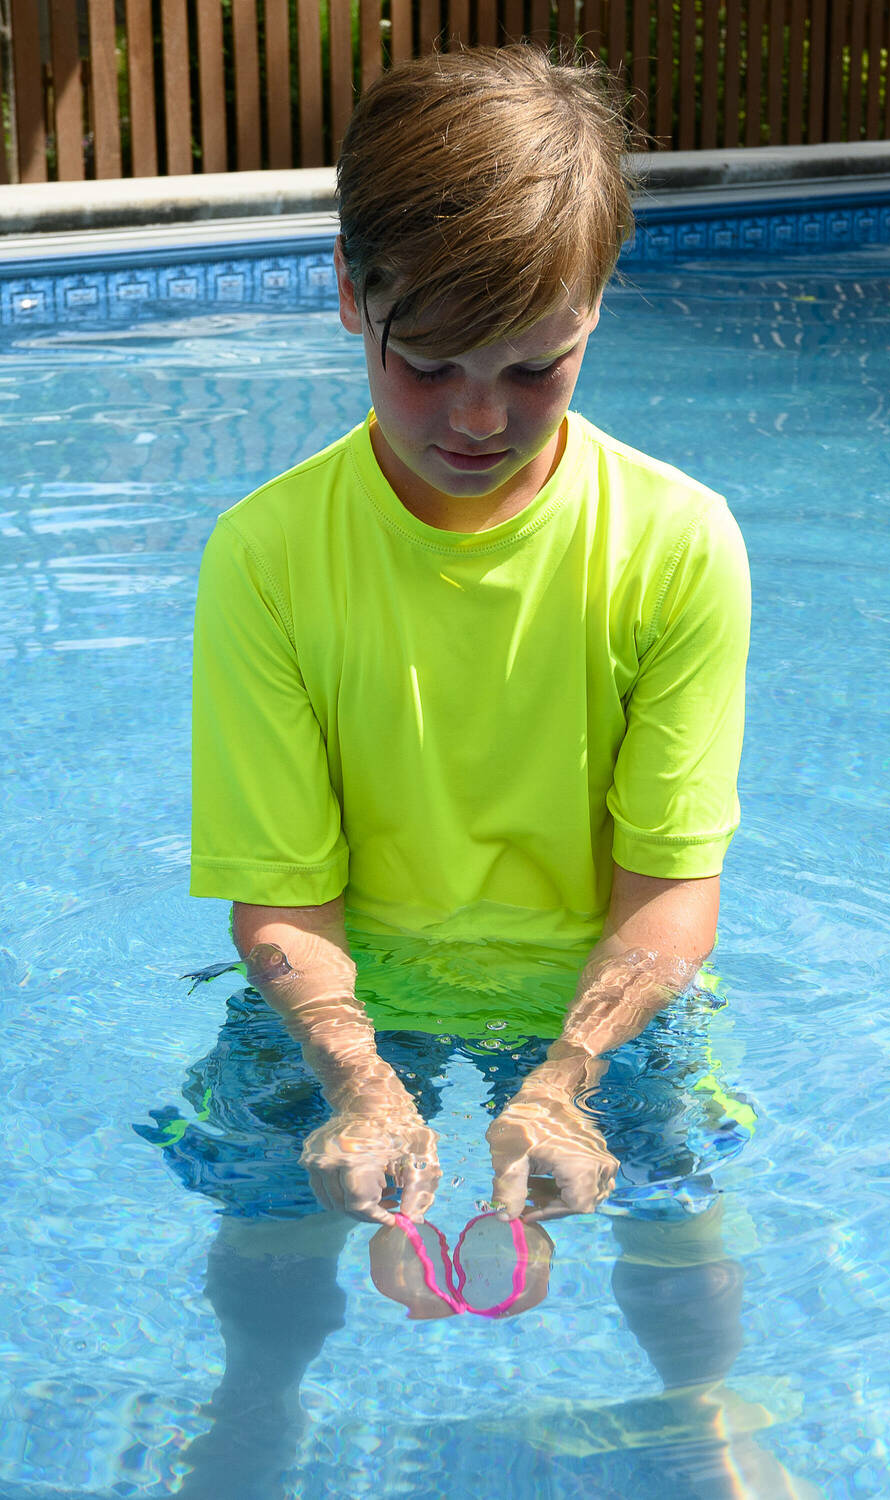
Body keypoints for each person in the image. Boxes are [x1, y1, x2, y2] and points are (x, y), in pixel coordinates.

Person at [165, 42, 800, 1498]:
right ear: (347, 291)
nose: (474, 415)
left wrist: (570, 1076)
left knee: (675, 1199)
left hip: (597, 986)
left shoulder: (676, 543)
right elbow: (275, 897)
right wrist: (358, 1077)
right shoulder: (267, 558)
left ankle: (705, 1414)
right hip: (341, 979)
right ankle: (255, 1401)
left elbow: (670, 891)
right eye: (425, 359)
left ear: (595, 314)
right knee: (265, 1207)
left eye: (534, 366)